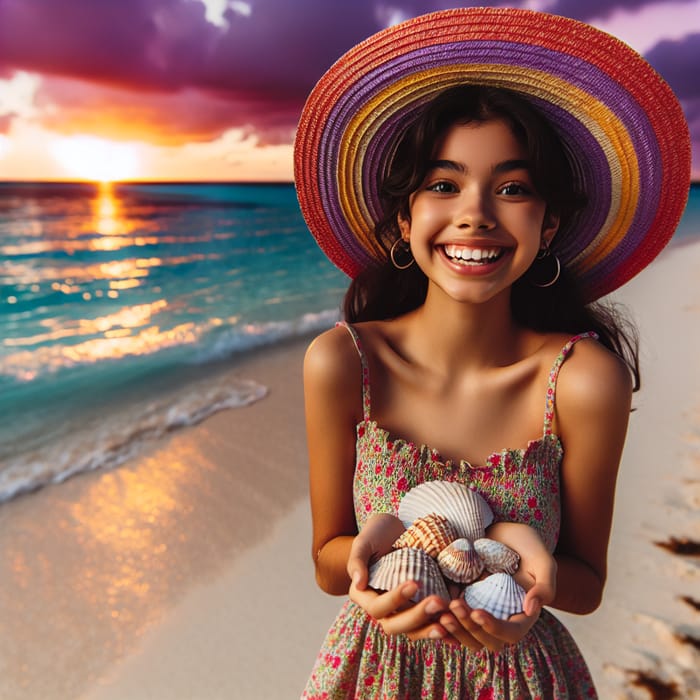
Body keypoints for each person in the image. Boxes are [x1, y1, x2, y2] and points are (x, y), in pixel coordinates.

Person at [293, 8, 691, 698]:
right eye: (444, 185)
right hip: (374, 672)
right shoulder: (343, 363)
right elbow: (329, 564)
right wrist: (371, 556)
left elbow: (587, 583)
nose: (475, 213)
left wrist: (533, 579)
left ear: (550, 221)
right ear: (405, 216)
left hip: (522, 676)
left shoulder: (581, 378)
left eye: (512, 189)